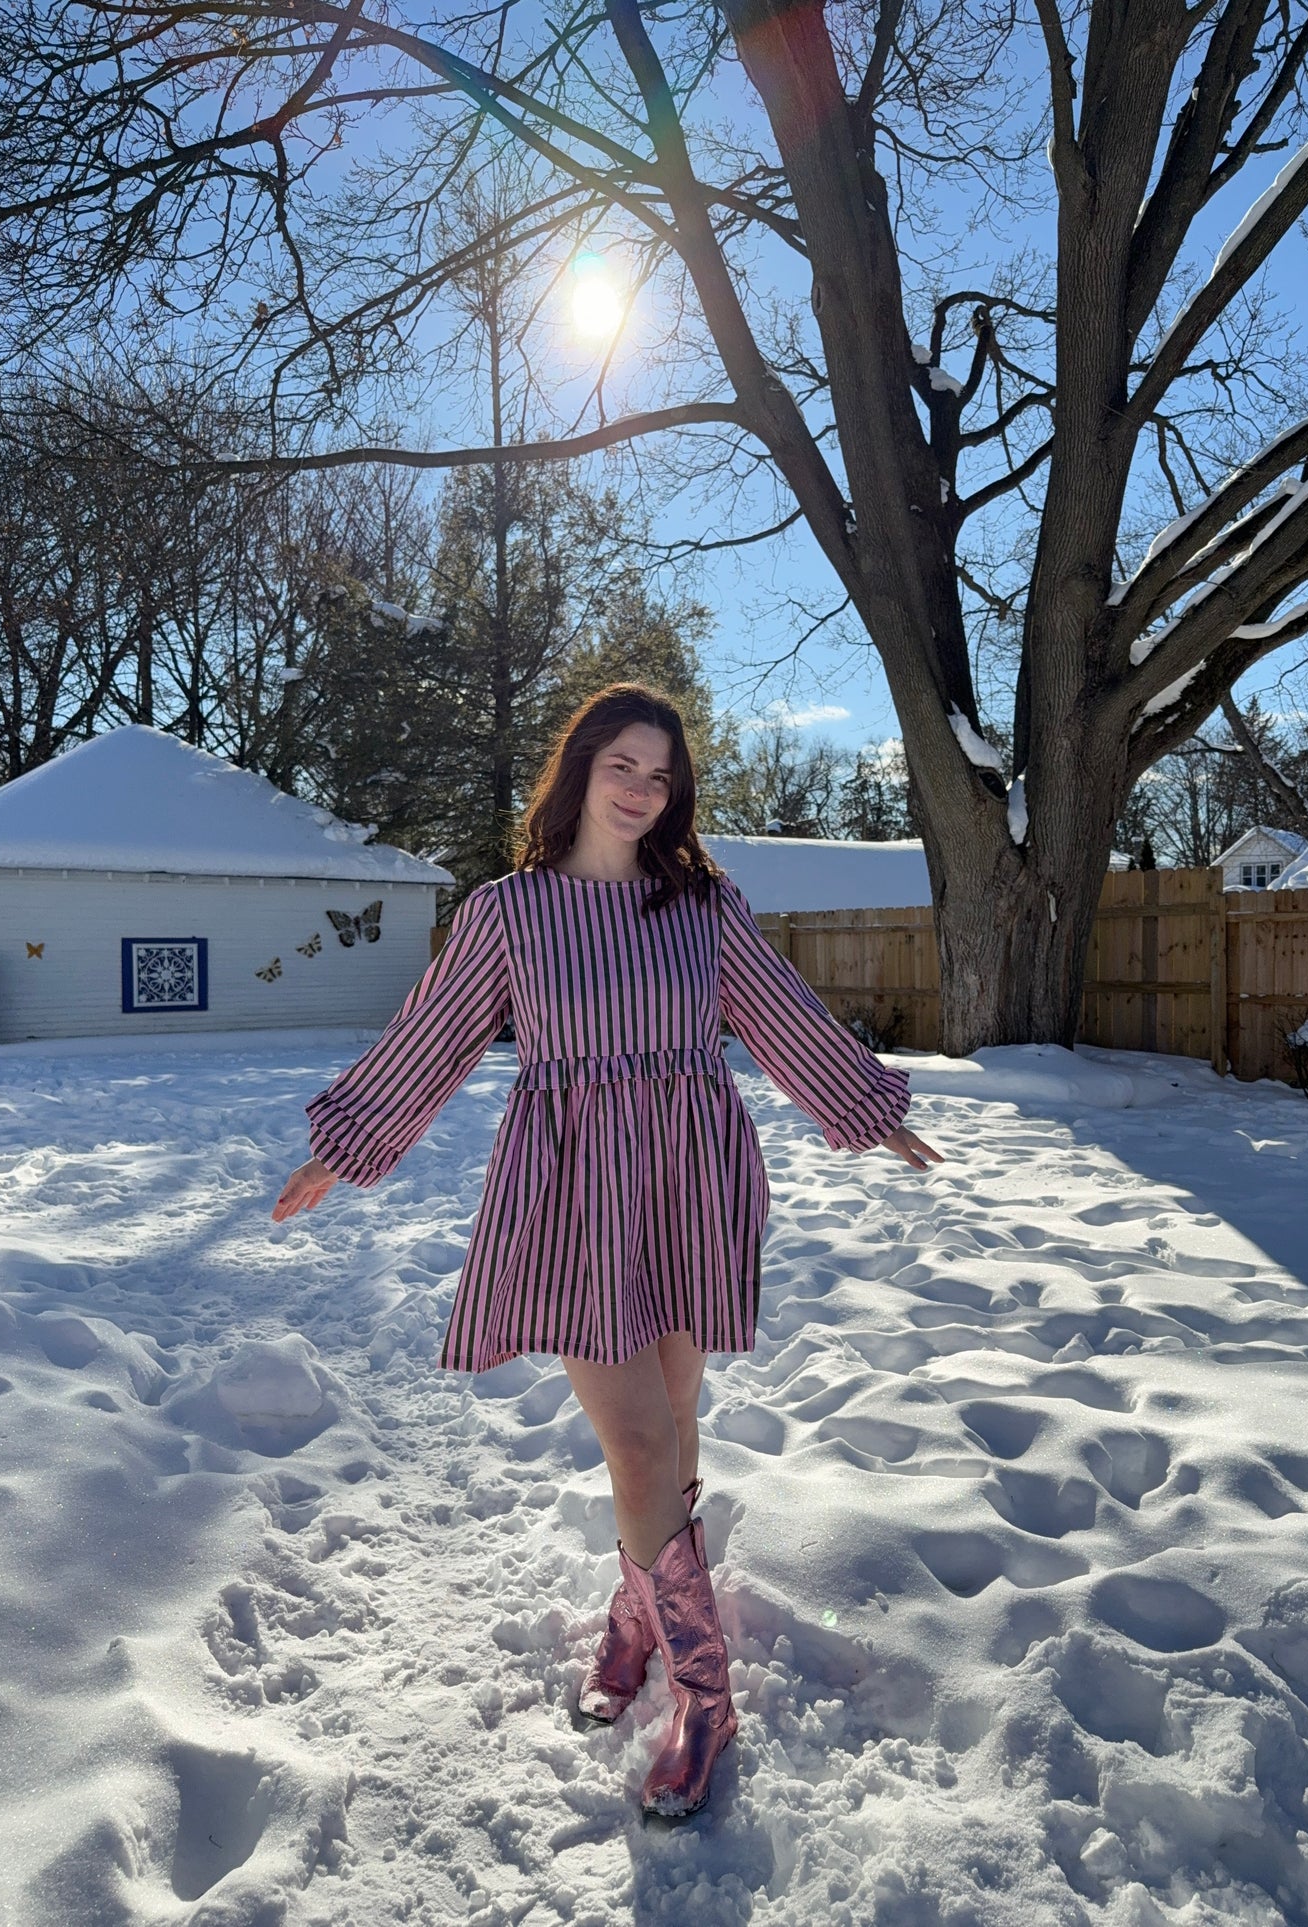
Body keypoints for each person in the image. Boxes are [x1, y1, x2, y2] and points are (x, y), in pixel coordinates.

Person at [272, 682, 944, 1821]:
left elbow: (779, 1010)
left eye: (660, 774)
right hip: (575, 1196)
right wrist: (348, 1141)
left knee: (675, 1428)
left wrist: (864, 1107)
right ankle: (704, 1696)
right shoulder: (508, 911)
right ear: (580, 767)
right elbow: (433, 1031)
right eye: (622, 765)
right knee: (638, 1443)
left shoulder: (701, 904)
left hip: (689, 1180)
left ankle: (638, 1619)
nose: (641, 789)